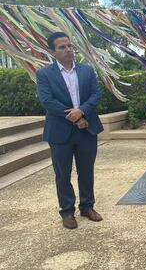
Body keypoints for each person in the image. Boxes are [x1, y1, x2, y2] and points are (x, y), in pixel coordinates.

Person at [36, 32, 104, 229]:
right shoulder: (44, 74)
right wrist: (75, 118)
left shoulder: (86, 71)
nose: (68, 50)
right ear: (52, 52)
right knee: (62, 174)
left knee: (86, 171)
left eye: (69, 46)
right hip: (60, 132)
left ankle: (87, 206)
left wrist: (82, 111)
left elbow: (95, 95)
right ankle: (67, 211)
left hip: (86, 130)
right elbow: (48, 101)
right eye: (62, 47)